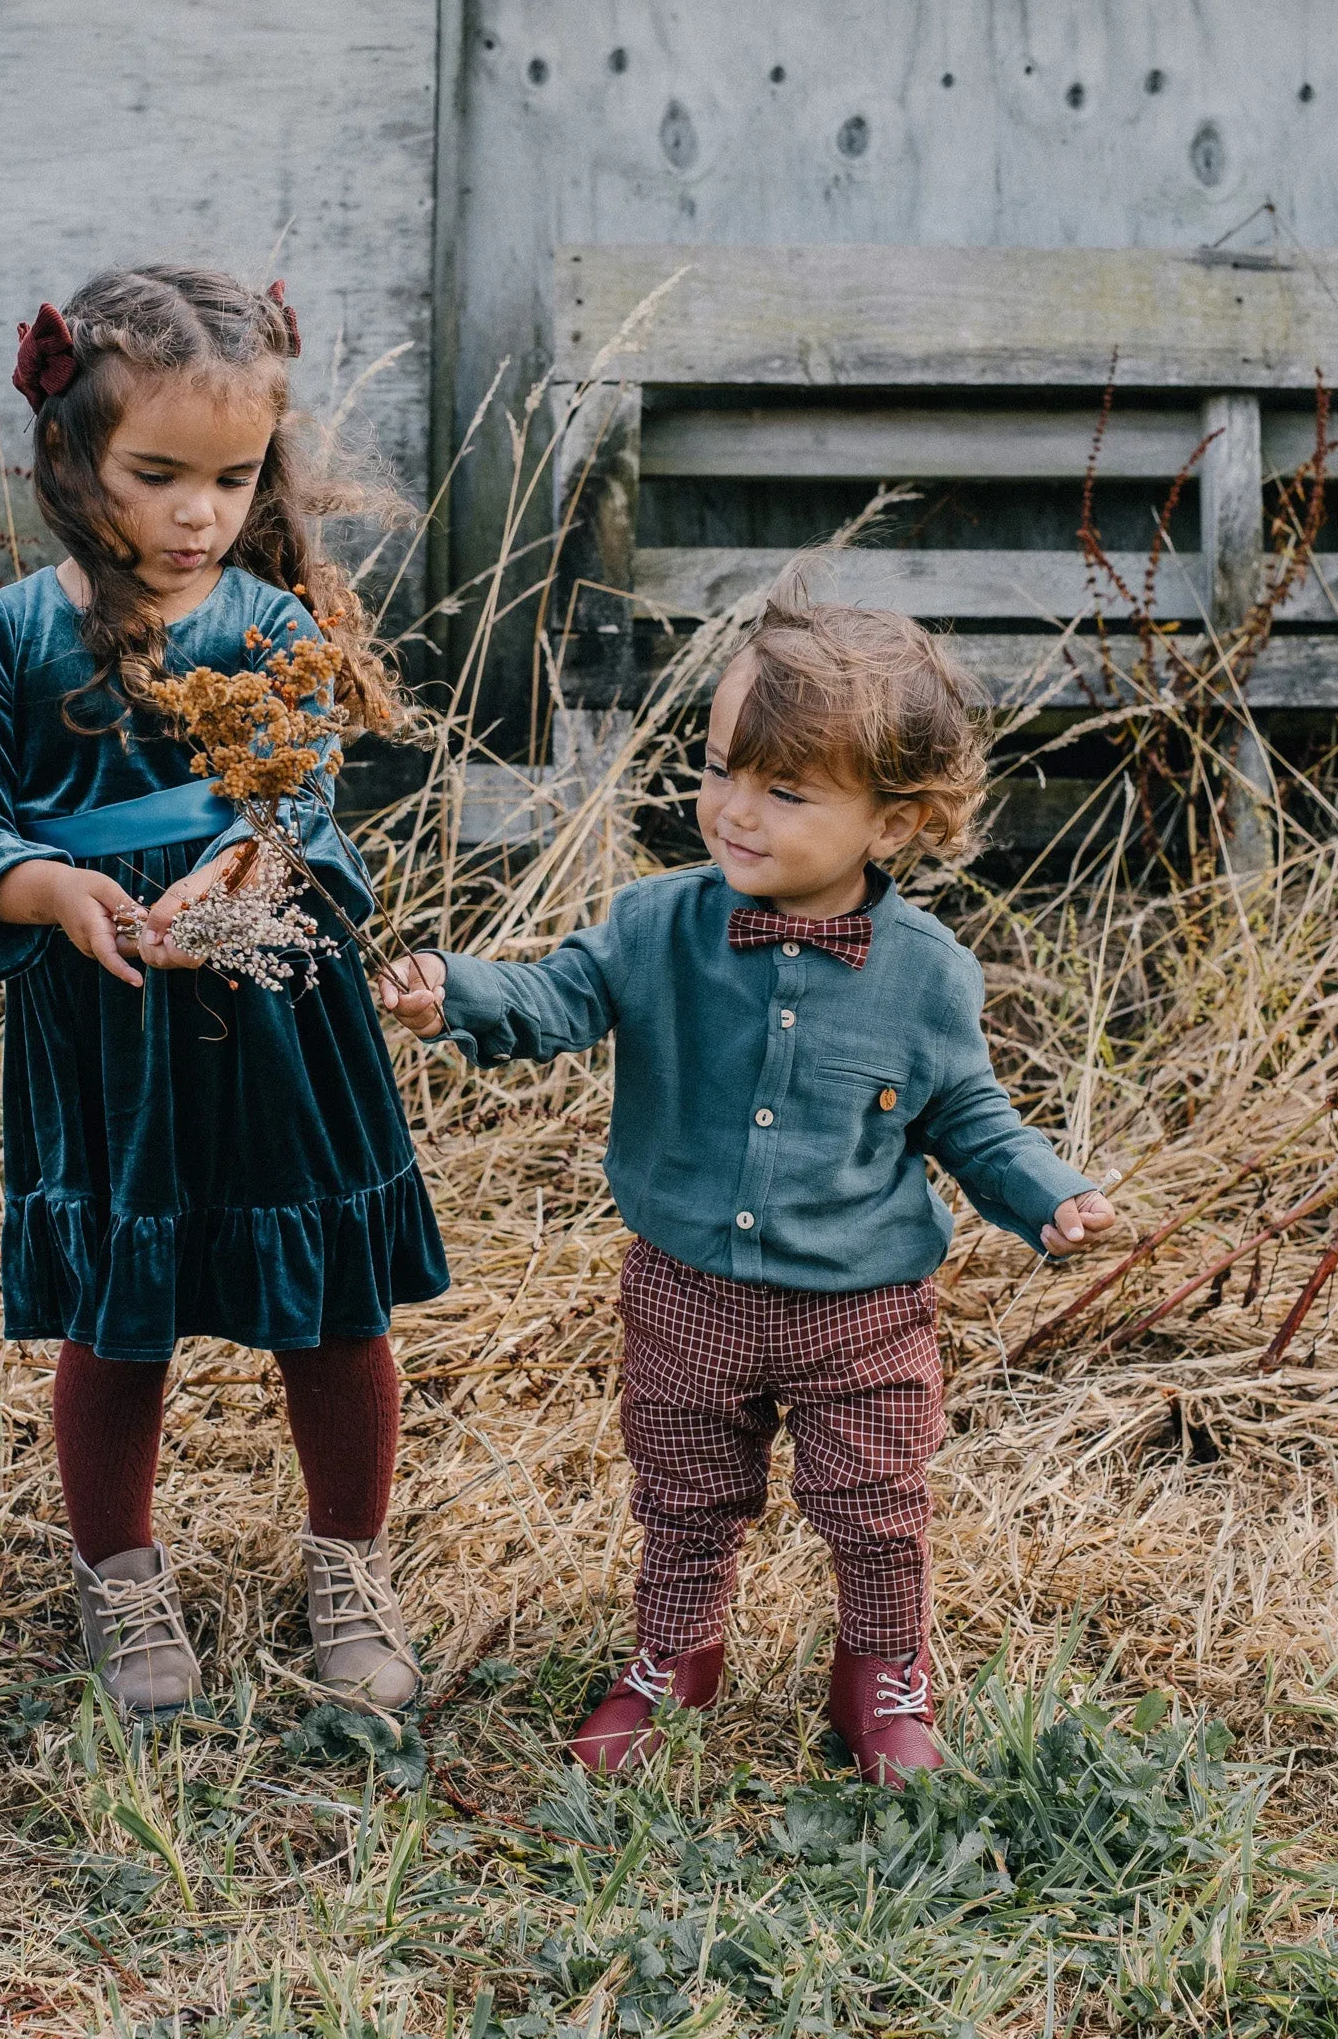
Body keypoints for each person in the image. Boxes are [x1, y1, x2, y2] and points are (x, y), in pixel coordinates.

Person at [380, 592, 1118, 1783]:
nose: (734, 808)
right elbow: (557, 994)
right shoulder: (655, 924)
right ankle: (676, 1658)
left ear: (898, 818)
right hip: (684, 1290)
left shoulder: (931, 973)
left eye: (787, 791)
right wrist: (452, 991)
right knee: (682, 1494)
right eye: (724, 768)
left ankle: (880, 1677)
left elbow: (968, 1114)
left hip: (863, 1309)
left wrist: (1047, 1194)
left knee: (875, 1506)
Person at [0, 265, 447, 1720]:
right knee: (119, 1305)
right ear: (74, 456)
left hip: (276, 1010)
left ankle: (346, 1563)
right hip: (110, 1027)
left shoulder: (274, 634)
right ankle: (122, 1576)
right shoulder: (10, 640)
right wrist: (50, 889)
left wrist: (245, 870)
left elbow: (307, 806)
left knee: (332, 1306)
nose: (199, 512)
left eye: (231, 477)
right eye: (159, 475)